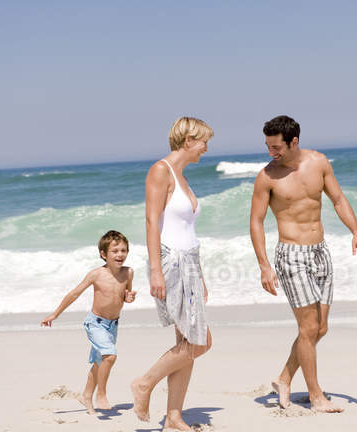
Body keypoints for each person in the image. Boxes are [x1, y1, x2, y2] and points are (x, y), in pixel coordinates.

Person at [250, 115, 357, 413]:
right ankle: (316, 396)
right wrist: (264, 265)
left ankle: (284, 378)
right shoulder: (267, 177)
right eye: (267, 146)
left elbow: (338, 199)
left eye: (276, 146)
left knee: (320, 329)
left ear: (294, 142)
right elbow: (256, 222)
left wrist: (356, 232)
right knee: (308, 327)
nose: (271, 152)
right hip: (291, 255)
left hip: (320, 252)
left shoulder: (319, 162)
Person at [131, 117, 213, 430]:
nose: (206, 148)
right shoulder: (160, 171)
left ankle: (174, 417)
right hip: (171, 262)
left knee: (187, 342)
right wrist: (155, 270)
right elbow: (152, 222)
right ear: (188, 139)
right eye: (204, 141)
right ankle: (144, 383)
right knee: (199, 342)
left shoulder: (181, 176)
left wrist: (200, 274)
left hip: (189, 262)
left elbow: (187, 229)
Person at [41, 230, 136, 414]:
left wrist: (129, 298)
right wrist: (55, 314)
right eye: (115, 251)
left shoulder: (128, 273)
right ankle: (101, 394)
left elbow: (125, 296)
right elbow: (74, 293)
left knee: (100, 362)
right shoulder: (96, 274)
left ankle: (86, 395)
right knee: (110, 356)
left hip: (113, 324)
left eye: (123, 250)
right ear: (103, 254)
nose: (120, 255)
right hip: (96, 323)